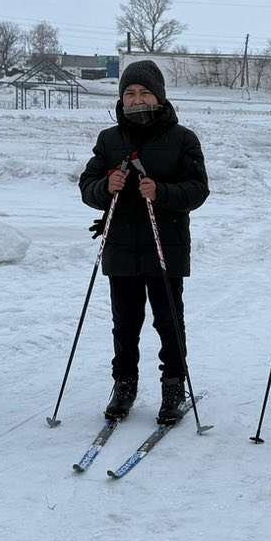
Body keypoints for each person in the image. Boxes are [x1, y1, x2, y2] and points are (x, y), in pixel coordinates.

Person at [78, 61, 209, 426]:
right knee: (125, 323)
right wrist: (106, 187)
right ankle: (124, 385)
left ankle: (172, 386)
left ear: (159, 96)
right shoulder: (109, 139)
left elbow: (199, 190)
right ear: (122, 99)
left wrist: (161, 191)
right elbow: (87, 187)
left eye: (145, 92)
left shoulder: (183, 138)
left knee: (168, 321)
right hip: (120, 247)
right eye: (130, 94)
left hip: (165, 245)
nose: (137, 100)